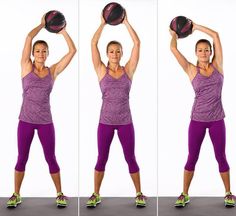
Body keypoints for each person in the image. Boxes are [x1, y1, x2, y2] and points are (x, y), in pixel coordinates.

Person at [7, 14, 76, 208]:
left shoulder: (52, 71)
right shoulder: (26, 66)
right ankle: (16, 194)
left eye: (43, 51)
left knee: (51, 157)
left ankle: (60, 194)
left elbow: (72, 51)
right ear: (33, 53)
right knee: (22, 158)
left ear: (47, 54)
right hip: (26, 120)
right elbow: (29, 38)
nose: (40, 54)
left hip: (45, 121)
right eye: (37, 51)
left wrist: (63, 32)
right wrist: (41, 25)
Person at [170, 21, 235, 207]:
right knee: (192, 157)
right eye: (200, 50)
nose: (204, 52)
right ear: (196, 53)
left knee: (221, 156)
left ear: (211, 52)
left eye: (207, 50)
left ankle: (228, 193)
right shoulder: (191, 69)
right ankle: (184, 194)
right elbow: (173, 49)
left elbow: (216, 35)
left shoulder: (218, 66)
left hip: (217, 120)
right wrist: (174, 33)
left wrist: (195, 26)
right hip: (197, 120)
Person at [86, 13, 146, 208]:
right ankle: (95, 194)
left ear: (121, 53)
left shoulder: (128, 70)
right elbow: (93, 43)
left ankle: (139, 193)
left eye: (117, 51)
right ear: (107, 54)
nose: (114, 54)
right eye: (111, 51)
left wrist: (126, 21)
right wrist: (103, 23)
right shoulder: (101, 70)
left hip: (125, 122)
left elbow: (137, 44)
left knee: (131, 158)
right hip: (105, 122)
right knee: (101, 158)